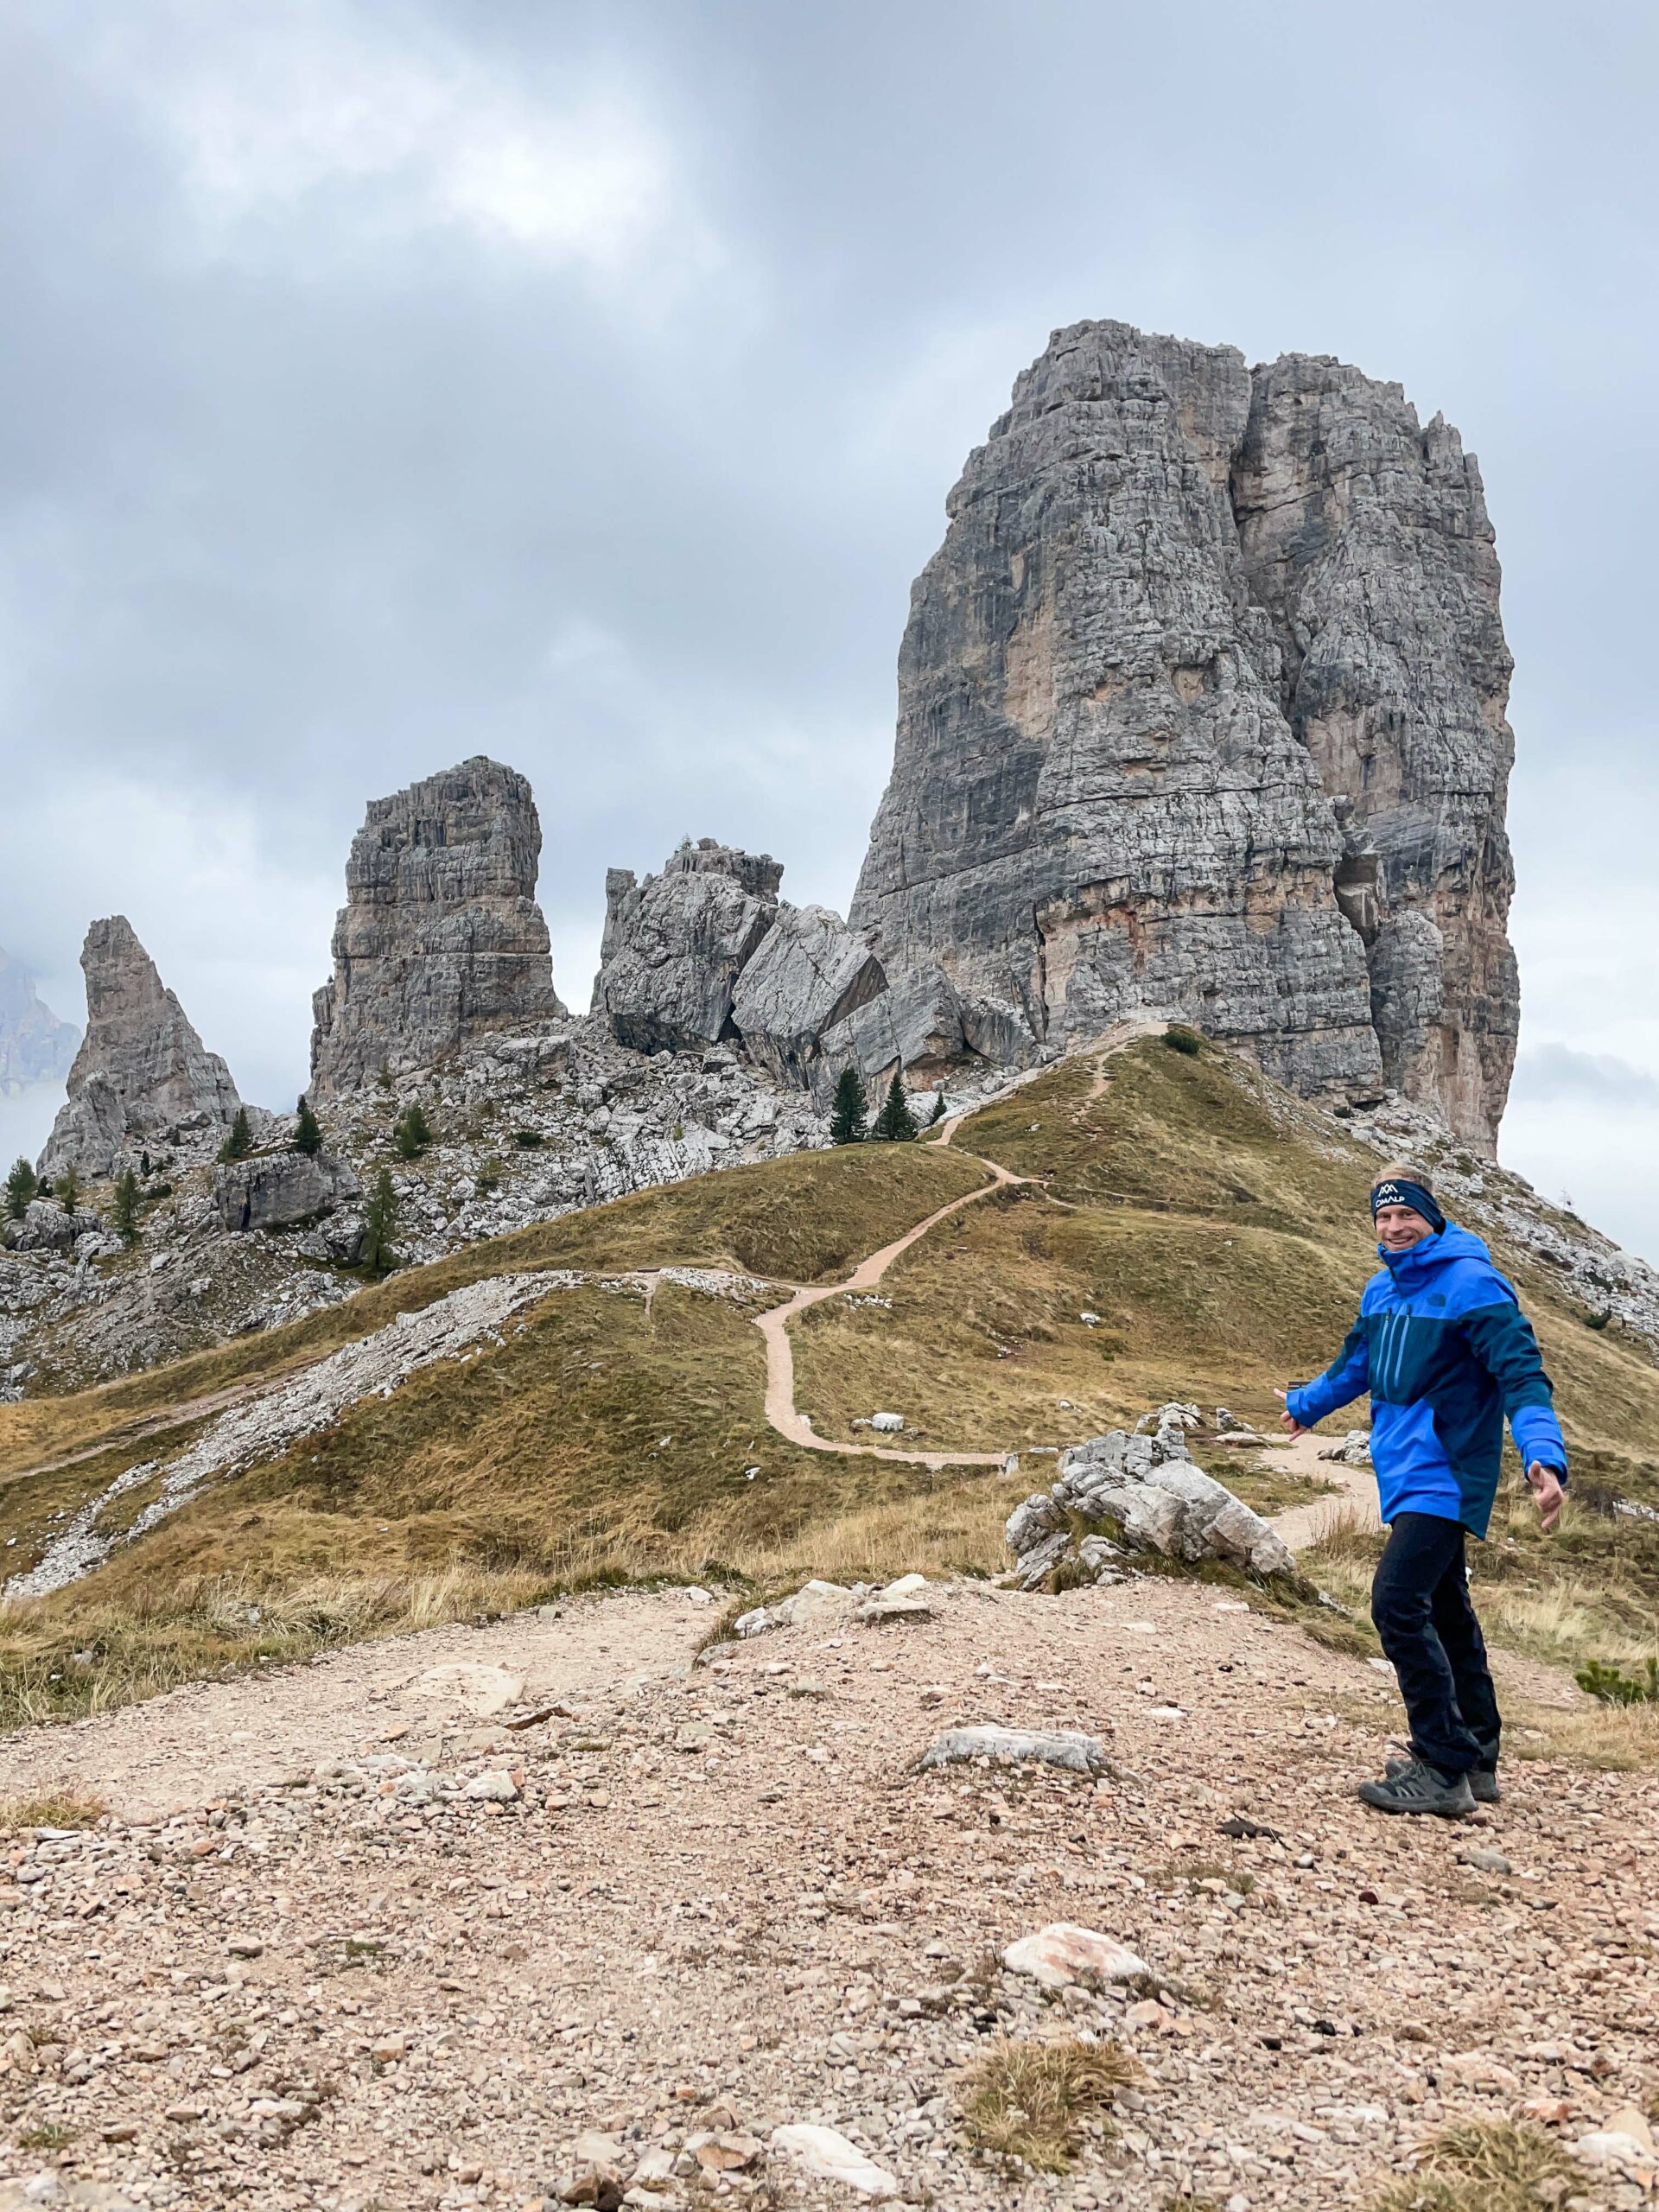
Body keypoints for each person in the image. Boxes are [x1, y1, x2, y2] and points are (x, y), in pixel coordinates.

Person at [1277, 1163, 1567, 1818]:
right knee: (1445, 1607)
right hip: (1404, 1470)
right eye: (1383, 1217)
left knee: (1397, 1603)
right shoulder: (1380, 1292)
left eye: (1406, 1214)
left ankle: (1442, 1765)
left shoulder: (1474, 1283)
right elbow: (1357, 1363)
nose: (1394, 1226)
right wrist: (1306, 1406)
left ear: (1432, 1216)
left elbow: (1522, 1376)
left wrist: (1543, 1457)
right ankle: (1479, 1755)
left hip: (1448, 1469)